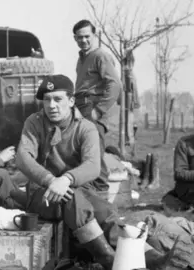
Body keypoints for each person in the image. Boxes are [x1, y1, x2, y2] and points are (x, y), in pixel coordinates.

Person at [16, 74, 176, 270]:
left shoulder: (86, 128)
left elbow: (92, 166)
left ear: (71, 100)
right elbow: (23, 158)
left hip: (78, 191)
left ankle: (150, 257)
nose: (51, 105)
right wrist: (50, 180)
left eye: (58, 99)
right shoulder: (34, 122)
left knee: (104, 209)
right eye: (47, 100)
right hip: (43, 195)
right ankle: (107, 259)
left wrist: (66, 178)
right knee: (71, 197)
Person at [73, 19, 121, 148]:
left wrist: (99, 110)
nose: (83, 40)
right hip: (80, 107)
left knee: (94, 154)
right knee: (82, 153)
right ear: (75, 38)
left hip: (92, 106)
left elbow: (115, 85)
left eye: (87, 36)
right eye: (80, 37)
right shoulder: (82, 58)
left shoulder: (100, 56)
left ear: (94, 35)